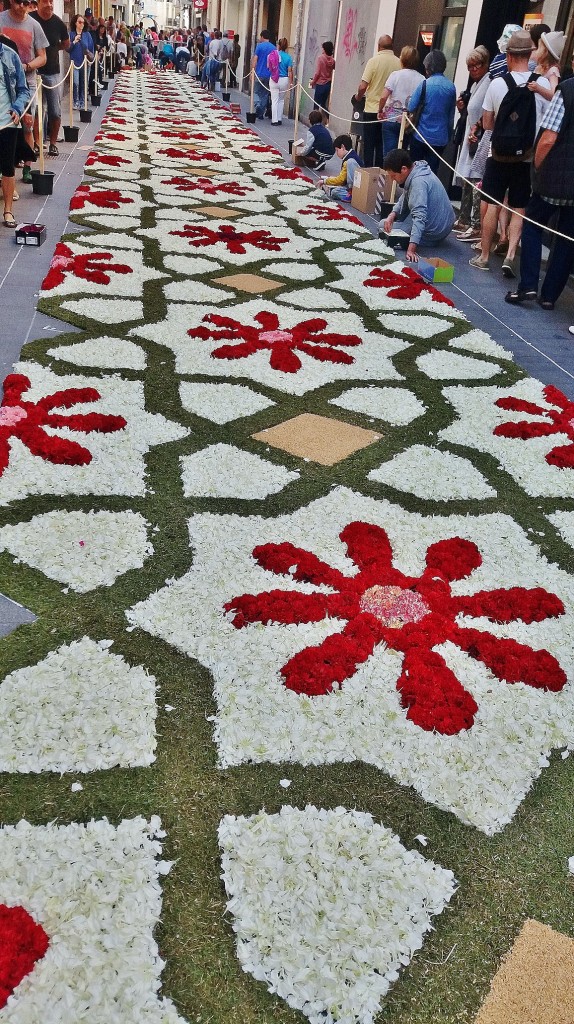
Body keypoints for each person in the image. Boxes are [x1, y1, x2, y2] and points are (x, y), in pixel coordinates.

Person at [470, 30, 550, 276]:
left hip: (498, 154)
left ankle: (484, 256)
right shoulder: (542, 85)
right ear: (529, 55)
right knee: (519, 207)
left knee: (492, 204)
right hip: (526, 156)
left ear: (509, 56)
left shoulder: (497, 84)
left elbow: (487, 123)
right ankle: (511, 255)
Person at [505, 71, 574, 310]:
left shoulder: (567, 90)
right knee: (567, 236)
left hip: (555, 175)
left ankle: (528, 285)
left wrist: (537, 168)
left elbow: (548, 139)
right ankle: (549, 296)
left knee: (533, 224)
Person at [0, 0, 47, 184]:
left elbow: (42, 56)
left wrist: (26, 66)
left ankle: (27, 167)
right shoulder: (1, 20)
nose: (22, 5)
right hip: (5, 80)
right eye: (19, 1)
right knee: (6, 127)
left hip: (27, 81)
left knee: (27, 125)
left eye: (26, 2)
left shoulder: (34, 25)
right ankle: (6, 170)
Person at [380, 148, 455, 261]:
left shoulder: (418, 183)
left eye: (394, 176)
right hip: (443, 224)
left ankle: (425, 239)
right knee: (386, 222)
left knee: (382, 226)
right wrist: (392, 215)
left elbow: (420, 217)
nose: (392, 179)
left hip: (435, 231)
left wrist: (411, 249)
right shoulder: (417, 169)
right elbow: (405, 195)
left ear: (404, 169)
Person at [452, 45, 490, 240]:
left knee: (476, 178)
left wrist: (478, 128)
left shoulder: (489, 82)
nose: (473, 69)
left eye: (477, 65)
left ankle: (475, 224)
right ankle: (464, 218)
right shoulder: (476, 85)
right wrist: (462, 108)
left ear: (485, 64)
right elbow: (471, 111)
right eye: (470, 66)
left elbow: (488, 111)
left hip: (480, 137)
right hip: (470, 135)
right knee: (467, 177)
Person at [407, 49, 456, 175]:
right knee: (432, 172)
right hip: (440, 138)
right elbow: (451, 116)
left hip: (420, 135)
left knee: (415, 170)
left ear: (428, 67)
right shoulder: (451, 87)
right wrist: (448, 136)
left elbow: (411, 107)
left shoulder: (424, 84)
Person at [355, 34, 400, 167]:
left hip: (371, 109)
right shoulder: (399, 63)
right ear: (392, 46)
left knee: (369, 145)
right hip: (389, 113)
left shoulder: (373, 61)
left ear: (379, 47)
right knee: (382, 146)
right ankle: (380, 174)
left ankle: (368, 173)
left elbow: (363, 86)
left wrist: (358, 97)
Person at [30, 0, 68, 157]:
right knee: (36, 110)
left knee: (55, 111)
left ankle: (52, 143)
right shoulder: (31, 19)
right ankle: (37, 143)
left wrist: (53, 48)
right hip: (34, 71)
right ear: (39, 3)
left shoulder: (58, 23)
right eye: (45, 1)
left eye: (51, 1)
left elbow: (66, 43)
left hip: (52, 71)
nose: (49, 4)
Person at [0, 32, 29, 225]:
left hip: (7, 122)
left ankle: (8, 211)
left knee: (8, 167)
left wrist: (18, 109)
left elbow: (23, 89)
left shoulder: (10, 55)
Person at [377, 44, 424, 157]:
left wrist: (380, 111)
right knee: (403, 155)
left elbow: (383, 97)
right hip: (409, 122)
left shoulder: (395, 75)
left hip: (391, 119)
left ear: (402, 59)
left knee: (389, 154)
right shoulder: (422, 79)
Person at [318, 134, 363, 201]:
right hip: (352, 186)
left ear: (342, 147)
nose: (336, 153)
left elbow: (341, 180)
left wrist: (325, 181)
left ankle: (352, 195)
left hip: (356, 189)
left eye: (337, 150)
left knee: (335, 192)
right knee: (335, 189)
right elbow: (342, 177)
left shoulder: (350, 160)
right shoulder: (350, 155)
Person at [529, 30, 564, 102]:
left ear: (545, 52)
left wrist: (538, 88)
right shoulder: (539, 67)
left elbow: (554, 94)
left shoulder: (553, 70)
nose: (536, 50)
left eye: (539, 48)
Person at [251, 28, 274, 119]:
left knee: (255, 91)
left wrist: (252, 71)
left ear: (262, 37)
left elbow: (255, 59)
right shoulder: (273, 48)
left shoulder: (259, 47)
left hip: (259, 73)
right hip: (269, 75)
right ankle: (260, 113)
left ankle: (257, 105)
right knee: (265, 94)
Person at [269, 37, 292, 125]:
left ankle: (274, 120)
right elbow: (290, 71)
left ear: (278, 45)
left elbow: (269, 66)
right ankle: (279, 118)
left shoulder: (273, 54)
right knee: (281, 100)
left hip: (274, 79)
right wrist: (290, 83)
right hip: (284, 79)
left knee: (274, 100)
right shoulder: (288, 57)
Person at [311, 40, 335, 114]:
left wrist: (313, 81)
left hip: (320, 83)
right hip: (328, 84)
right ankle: (327, 117)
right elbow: (334, 68)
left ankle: (315, 119)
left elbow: (317, 73)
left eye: (323, 48)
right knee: (323, 104)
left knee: (316, 104)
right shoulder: (332, 60)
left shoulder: (320, 58)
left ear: (324, 49)